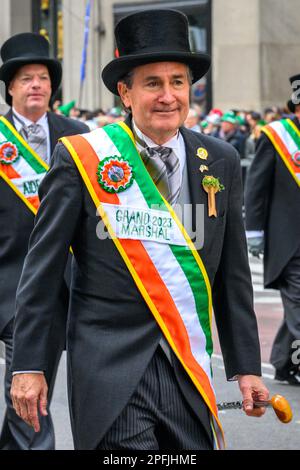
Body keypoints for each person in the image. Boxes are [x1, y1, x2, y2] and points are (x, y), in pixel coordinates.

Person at [11, 10, 268, 450]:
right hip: (111, 368)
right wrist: (29, 366)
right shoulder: (83, 159)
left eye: (178, 82)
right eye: (152, 83)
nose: (168, 96)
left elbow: (233, 273)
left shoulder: (220, 159)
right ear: (126, 93)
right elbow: (43, 269)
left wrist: (247, 367)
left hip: (188, 366)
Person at [0, 32, 88, 450]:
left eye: (42, 77)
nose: (36, 84)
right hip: (5, 276)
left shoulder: (79, 135)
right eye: (26, 78)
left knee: (31, 392)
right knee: (27, 393)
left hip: (53, 287)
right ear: (10, 88)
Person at [245, 74, 300, 385]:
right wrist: (253, 231)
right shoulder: (277, 136)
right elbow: (256, 187)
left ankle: (283, 361)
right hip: (289, 242)